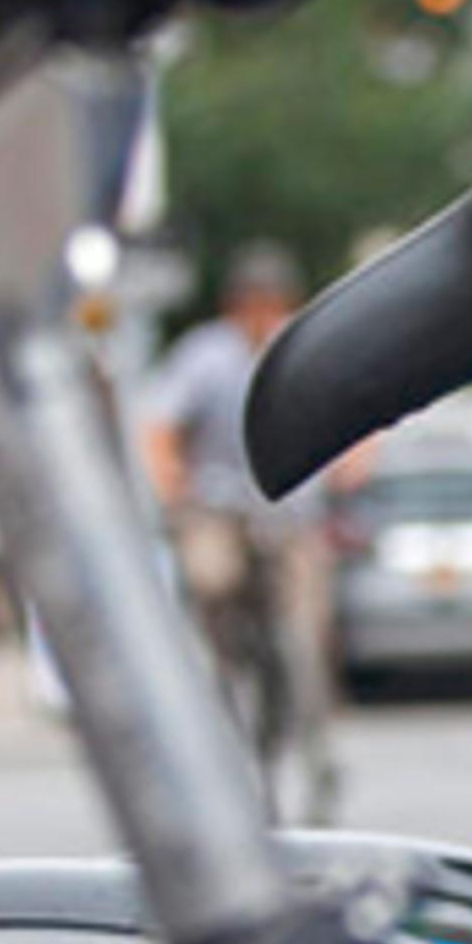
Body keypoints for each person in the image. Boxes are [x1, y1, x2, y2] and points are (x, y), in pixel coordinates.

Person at [142, 240, 338, 821]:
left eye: (270, 304)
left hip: (292, 515)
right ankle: (225, 678)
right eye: (251, 305)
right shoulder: (205, 357)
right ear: (233, 307)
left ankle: (317, 754)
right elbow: (159, 427)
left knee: (304, 631)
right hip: (220, 506)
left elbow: (356, 410)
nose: (260, 316)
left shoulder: (304, 351)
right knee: (212, 578)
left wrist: (353, 468)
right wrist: (173, 483)